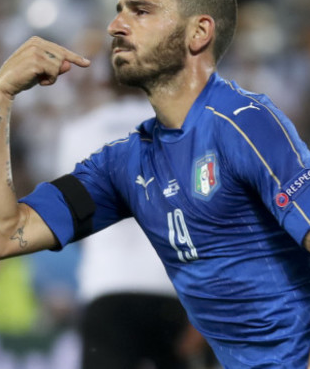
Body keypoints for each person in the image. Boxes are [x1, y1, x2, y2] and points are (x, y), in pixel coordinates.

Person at [0, 0, 310, 368]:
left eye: (140, 11)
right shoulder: (125, 164)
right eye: (119, 10)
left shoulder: (242, 122)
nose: (115, 26)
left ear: (198, 32)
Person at [57, 85, 212, 368]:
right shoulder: (184, 129)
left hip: (106, 286)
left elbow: (69, 221)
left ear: (106, 78)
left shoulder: (78, 132)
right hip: (171, 291)